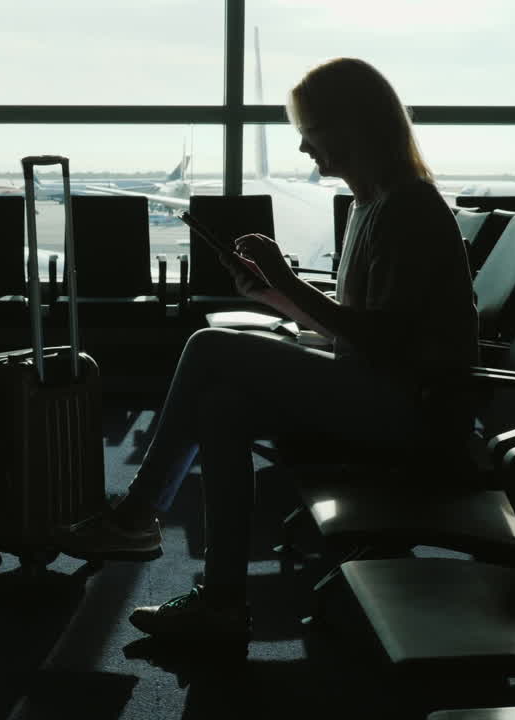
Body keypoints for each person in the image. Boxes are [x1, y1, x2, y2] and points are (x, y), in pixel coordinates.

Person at [59, 57, 478, 644]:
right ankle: (223, 600)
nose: (304, 147)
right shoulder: (372, 205)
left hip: (414, 410)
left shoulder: (409, 208)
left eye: (310, 129)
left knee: (210, 346)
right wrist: (273, 294)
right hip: (377, 389)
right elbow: (352, 333)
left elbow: (384, 343)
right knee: (222, 407)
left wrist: (285, 280)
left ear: (349, 126)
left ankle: (136, 514)